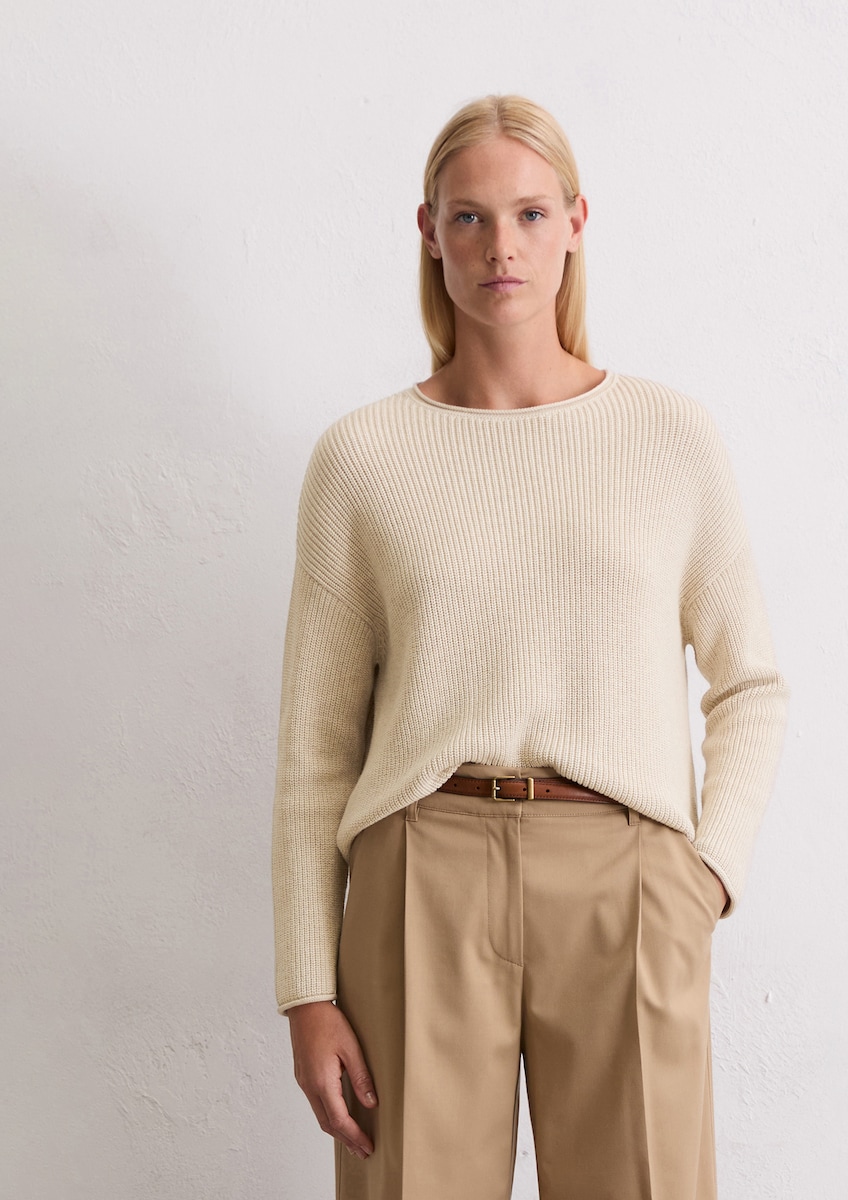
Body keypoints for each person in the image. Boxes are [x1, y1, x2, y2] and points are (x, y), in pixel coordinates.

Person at [272, 94, 788, 1200]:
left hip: (626, 874)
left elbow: (749, 682)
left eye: (529, 213)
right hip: (420, 871)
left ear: (575, 224)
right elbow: (316, 750)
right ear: (428, 232)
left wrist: (704, 876)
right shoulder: (362, 458)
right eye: (468, 217)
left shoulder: (668, 436)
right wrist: (306, 987)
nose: (499, 246)